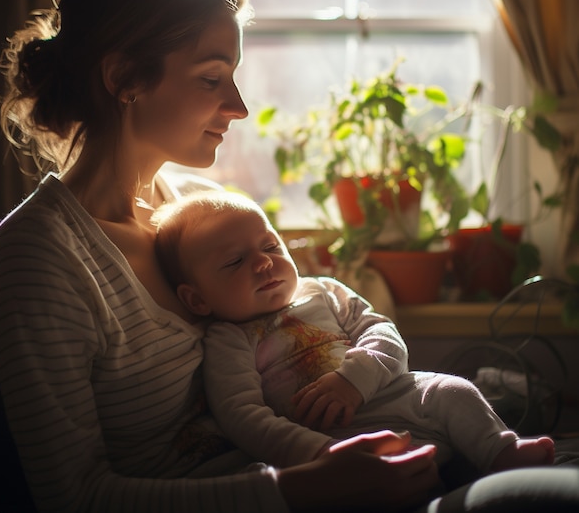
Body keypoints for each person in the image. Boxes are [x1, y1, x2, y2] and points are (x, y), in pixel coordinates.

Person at [0, 0, 579, 513]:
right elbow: (75, 498)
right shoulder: (42, 258)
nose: (238, 107)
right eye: (211, 79)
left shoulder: (198, 207)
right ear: (123, 80)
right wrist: (307, 487)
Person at [153, 189, 555, 475]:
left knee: (453, 390)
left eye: (271, 247)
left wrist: (353, 380)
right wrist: (320, 453)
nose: (263, 263)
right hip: (329, 434)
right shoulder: (228, 339)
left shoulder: (323, 291)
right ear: (197, 300)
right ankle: (434, 466)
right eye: (235, 261)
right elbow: (242, 416)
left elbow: (384, 334)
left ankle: (501, 452)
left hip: (389, 394)